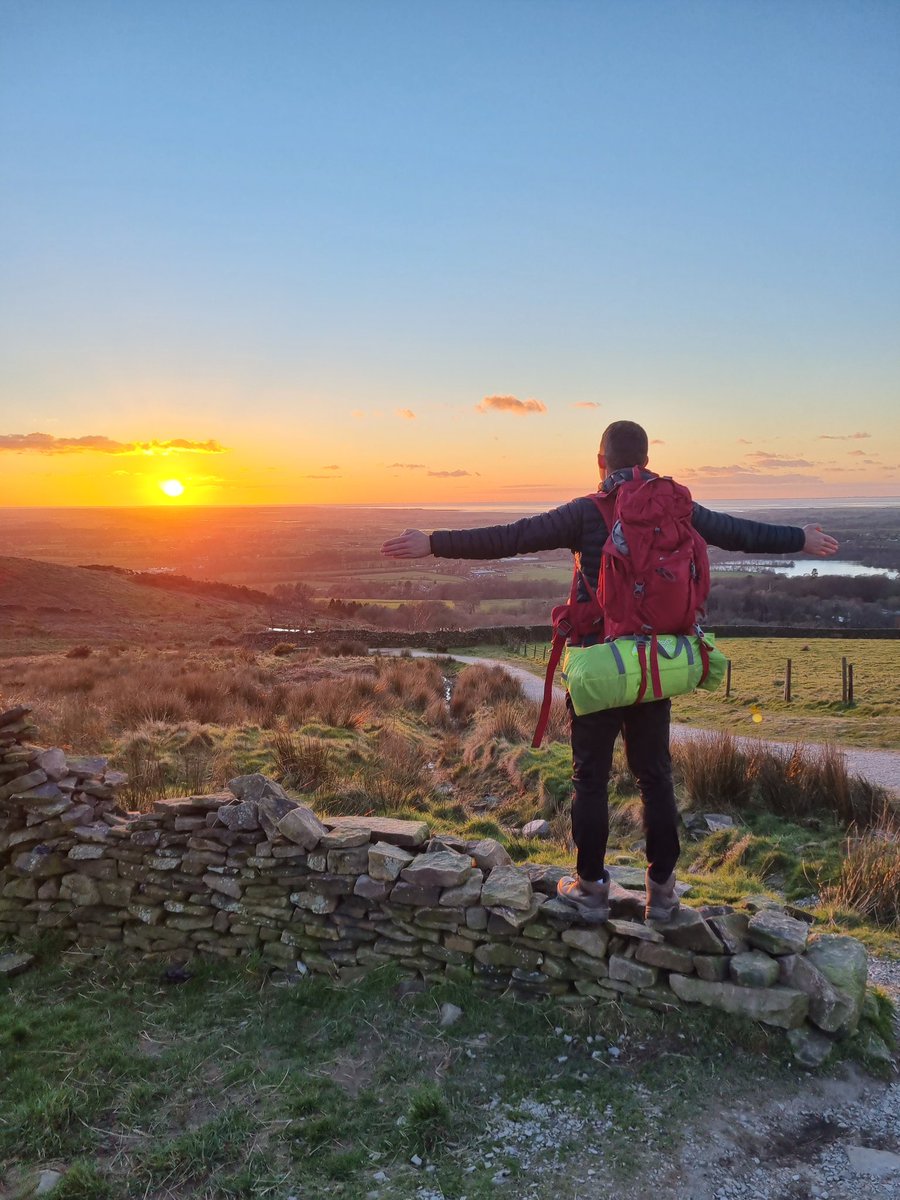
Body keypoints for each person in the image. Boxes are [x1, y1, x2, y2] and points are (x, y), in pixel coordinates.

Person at [380, 421, 838, 923]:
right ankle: (663, 894)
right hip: (652, 663)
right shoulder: (674, 505)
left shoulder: (585, 512)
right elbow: (738, 532)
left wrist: (433, 542)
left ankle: (592, 888)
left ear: (601, 462)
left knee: (590, 779)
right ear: (645, 457)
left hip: (599, 664)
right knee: (655, 777)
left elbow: (511, 537)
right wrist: (801, 538)